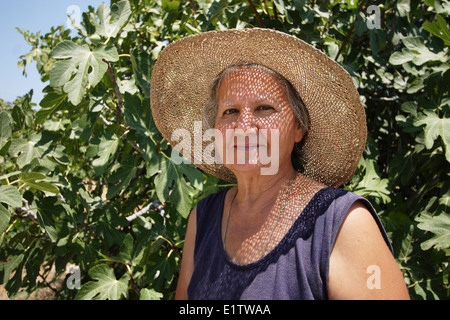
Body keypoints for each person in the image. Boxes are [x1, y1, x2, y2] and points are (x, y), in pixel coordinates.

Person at [150, 28, 410, 300]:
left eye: (264, 108)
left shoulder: (343, 224)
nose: (244, 126)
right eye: (230, 112)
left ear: (299, 128)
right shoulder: (202, 219)